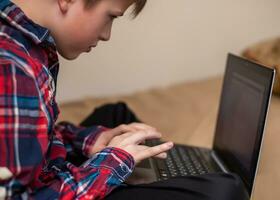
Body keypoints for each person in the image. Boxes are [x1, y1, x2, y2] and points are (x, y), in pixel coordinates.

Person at [0, 0, 249, 199]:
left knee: (115, 114)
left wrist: (87, 141)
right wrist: (112, 163)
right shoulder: (11, 66)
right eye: (111, 16)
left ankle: (156, 175)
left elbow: (35, 138)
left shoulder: (27, 46)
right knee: (226, 190)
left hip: (47, 173)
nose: (107, 34)